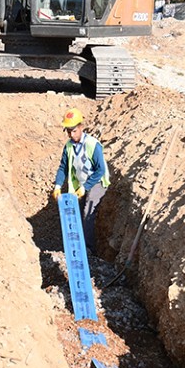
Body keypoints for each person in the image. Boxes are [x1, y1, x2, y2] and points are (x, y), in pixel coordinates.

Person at [52, 107, 109, 257]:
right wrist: (58, 185)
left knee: (87, 213)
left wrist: (86, 187)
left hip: (96, 182)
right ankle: (74, 247)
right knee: (74, 211)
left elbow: (100, 170)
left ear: (81, 127)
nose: (71, 134)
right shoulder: (69, 146)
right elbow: (63, 167)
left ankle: (89, 250)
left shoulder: (92, 144)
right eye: (68, 131)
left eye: (74, 130)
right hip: (80, 184)